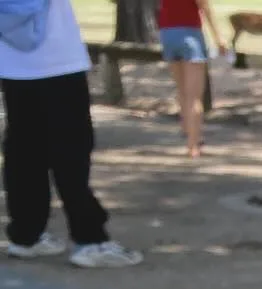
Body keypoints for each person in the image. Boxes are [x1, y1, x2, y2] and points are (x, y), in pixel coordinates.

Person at [0, 0, 141, 265]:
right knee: (71, 152)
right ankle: (89, 238)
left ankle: (26, 234)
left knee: (24, 152)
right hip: (56, 59)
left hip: (14, 63)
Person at [157, 0, 223, 158]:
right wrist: (218, 38)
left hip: (167, 33)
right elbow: (204, 6)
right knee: (194, 96)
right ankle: (193, 146)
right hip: (190, 33)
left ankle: (188, 130)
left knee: (182, 91)